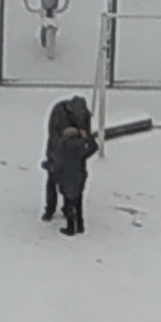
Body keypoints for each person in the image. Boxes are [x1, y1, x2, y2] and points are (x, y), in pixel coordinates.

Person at [48, 98, 97, 235]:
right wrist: (87, 139)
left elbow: (57, 165)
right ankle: (80, 225)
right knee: (78, 200)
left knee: (68, 201)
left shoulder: (63, 151)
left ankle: (70, 227)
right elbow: (93, 147)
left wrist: (50, 166)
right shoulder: (80, 149)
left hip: (66, 179)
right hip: (80, 177)